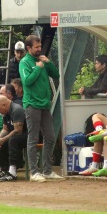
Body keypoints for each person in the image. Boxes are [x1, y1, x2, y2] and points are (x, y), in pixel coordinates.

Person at [19, 34, 63, 182]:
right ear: (29, 48)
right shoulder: (25, 62)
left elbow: (56, 75)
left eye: (40, 47)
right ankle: (34, 172)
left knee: (50, 137)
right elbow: (27, 81)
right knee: (33, 138)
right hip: (32, 104)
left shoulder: (41, 60)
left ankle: (48, 171)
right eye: (36, 47)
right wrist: (38, 69)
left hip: (45, 104)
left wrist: (48, 63)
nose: (39, 49)